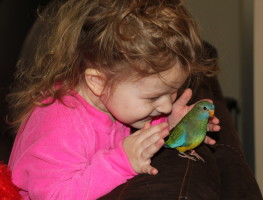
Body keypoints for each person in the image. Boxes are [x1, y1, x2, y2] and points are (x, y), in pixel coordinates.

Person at [7, 0, 220, 199]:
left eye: (172, 92)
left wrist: (172, 125)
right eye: (153, 97)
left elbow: (136, 114)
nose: (166, 106)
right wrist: (121, 162)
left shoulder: (112, 98)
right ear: (98, 82)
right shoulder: (61, 126)